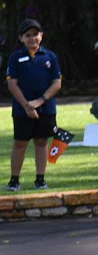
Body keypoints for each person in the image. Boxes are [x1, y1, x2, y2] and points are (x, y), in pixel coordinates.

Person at [7, 18, 62, 192]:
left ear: (41, 35)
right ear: (21, 38)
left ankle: (40, 179)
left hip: (45, 108)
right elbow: (12, 84)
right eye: (28, 35)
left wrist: (40, 101)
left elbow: (57, 83)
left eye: (35, 34)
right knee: (20, 143)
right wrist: (26, 106)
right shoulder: (15, 58)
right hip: (22, 108)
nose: (32, 39)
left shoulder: (50, 57)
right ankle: (14, 180)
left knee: (41, 141)